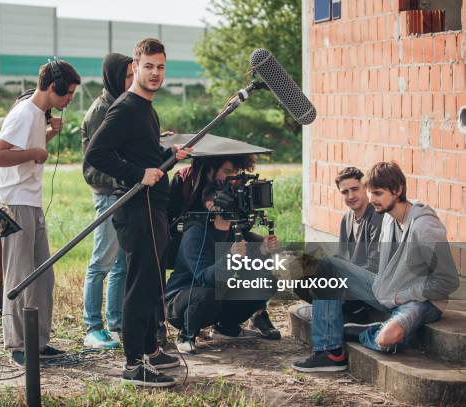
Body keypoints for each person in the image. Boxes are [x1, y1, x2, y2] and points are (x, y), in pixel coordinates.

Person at [85, 38, 191, 387]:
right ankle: (133, 363)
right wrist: (137, 175)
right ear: (136, 65)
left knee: (151, 281)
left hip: (154, 206)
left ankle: (150, 347)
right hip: (135, 208)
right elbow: (96, 155)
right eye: (149, 66)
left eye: (161, 67)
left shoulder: (147, 108)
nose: (156, 73)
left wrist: (168, 153)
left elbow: (142, 153)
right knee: (139, 284)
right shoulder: (126, 107)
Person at [293, 161, 459, 372]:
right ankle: (330, 351)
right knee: (327, 266)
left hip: (422, 300)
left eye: (378, 193)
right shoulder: (389, 219)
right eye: (371, 193)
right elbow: (381, 269)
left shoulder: (425, 227)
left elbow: (448, 281)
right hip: (389, 290)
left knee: (388, 339)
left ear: (398, 190)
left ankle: (364, 332)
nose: (372, 200)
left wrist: (403, 295)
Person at [0, 59, 80, 367]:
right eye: (68, 94)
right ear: (54, 87)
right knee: (19, 275)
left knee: (42, 276)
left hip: (31, 201)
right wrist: (36, 152)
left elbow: (26, 150)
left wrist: (48, 136)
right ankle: (16, 344)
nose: (69, 100)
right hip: (15, 201)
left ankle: (38, 343)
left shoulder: (39, 115)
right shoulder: (25, 112)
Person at [168, 155, 281, 340]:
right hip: (188, 294)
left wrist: (262, 252)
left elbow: (248, 264)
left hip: (215, 286)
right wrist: (230, 258)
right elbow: (205, 278)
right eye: (228, 172)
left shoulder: (235, 225)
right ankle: (187, 333)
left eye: (236, 173)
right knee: (207, 294)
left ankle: (229, 326)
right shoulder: (190, 188)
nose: (233, 178)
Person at [81, 53, 134, 349]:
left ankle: (116, 323)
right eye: (127, 76)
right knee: (101, 262)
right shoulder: (103, 110)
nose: (132, 81)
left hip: (123, 193)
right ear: (114, 77)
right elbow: (96, 165)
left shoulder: (120, 104)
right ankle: (92, 326)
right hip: (108, 195)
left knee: (120, 264)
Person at [293, 166, 384, 324]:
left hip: (369, 285)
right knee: (298, 269)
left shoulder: (377, 217)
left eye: (355, 189)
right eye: (345, 192)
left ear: (365, 189)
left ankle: (342, 313)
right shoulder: (347, 217)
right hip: (348, 282)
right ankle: (336, 312)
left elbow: (374, 266)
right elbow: (341, 256)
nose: (350, 196)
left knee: (322, 267)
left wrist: (336, 272)